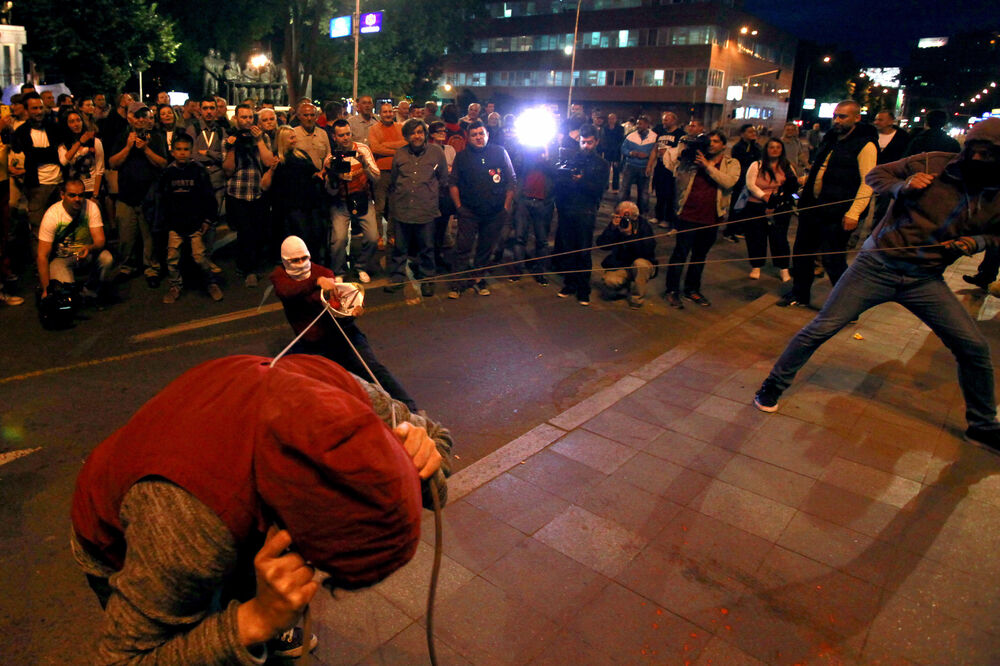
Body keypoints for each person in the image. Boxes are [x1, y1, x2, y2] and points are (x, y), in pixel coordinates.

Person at [70, 349, 451, 662]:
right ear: (295, 543)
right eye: (324, 575)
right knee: (206, 623)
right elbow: (122, 658)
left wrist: (425, 458)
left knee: (238, 584)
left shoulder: (334, 388)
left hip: (219, 496)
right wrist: (254, 619)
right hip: (119, 530)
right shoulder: (190, 529)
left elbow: (436, 435)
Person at [754, 118, 1000, 452]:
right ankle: (772, 385)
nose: (981, 161)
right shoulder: (933, 162)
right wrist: (903, 185)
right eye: (977, 152)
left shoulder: (996, 190)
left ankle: (983, 425)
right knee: (821, 327)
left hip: (924, 278)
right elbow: (876, 175)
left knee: (973, 347)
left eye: (990, 156)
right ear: (968, 148)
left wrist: (977, 241)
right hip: (876, 265)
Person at [272, 235, 421, 411]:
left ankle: (411, 409)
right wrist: (316, 282)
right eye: (295, 260)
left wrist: (352, 312)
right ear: (285, 261)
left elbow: (338, 309)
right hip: (312, 345)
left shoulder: (324, 273)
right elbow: (288, 292)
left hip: (341, 334)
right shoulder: (280, 277)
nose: (301, 263)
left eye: (304, 258)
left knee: (373, 370)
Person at [779, 100, 876, 308]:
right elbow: (821, 167)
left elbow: (868, 182)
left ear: (857, 118)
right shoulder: (831, 138)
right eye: (836, 116)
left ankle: (846, 305)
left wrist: (854, 213)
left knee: (833, 260)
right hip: (813, 207)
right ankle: (800, 293)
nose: (837, 120)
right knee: (802, 253)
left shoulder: (865, 144)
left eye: (843, 116)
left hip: (838, 212)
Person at [662, 129, 740, 308]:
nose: (711, 144)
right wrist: (684, 148)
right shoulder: (692, 159)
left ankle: (692, 289)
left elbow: (729, 182)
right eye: (709, 141)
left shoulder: (731, 163)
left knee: (699, 256)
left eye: (716, 141)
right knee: (680, 254)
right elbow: (674, 170)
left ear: (723, 145)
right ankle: (672, 290)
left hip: (711, 216)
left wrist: (707, 166)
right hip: (688, 214)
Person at [446, 121, 516, 298]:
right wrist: (459, 207)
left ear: (487, 135)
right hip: (469, 212)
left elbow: (511, 180)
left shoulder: (499, 152)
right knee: (463, 248)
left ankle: (478, 279)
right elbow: (453, 183)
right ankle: (457, 283)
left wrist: (506, 207)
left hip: (494, 213)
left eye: (481, 133)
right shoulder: (462, 157)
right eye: (474, 134)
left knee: (485, 248)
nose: (478, 137)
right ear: (468, 138)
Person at [156, 133, 223, 303]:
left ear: (191, 151)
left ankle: (210, 283)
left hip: (195, 224)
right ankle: (175, 285)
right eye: (178, 149)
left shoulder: (198, 170)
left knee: (200, 257)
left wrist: (208, 219)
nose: (182, 153)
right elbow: (163, 199)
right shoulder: (168, 173)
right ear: (172, 151)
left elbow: (208, 196)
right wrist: (165, 222)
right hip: (175, 224)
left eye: (186, 149)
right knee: (172, 257)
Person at [386, 119, 449, 297]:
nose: (417, 136)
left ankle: (427, 279)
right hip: (402, 209)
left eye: (420, 132)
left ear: (425, 134)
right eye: (413, 133)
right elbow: (394, 181)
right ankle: (398, 277)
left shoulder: (436, 153)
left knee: (427, 248)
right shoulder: (399, 154)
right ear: (406, 136)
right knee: (400, 248)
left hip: (426, 210)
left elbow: (444, 180)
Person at [108, 102, 168, 286]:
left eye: (144, 116)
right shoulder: (122, 137)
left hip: (149, 197)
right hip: (126, 196)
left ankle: (152, 269)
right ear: (130, 118)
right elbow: (113, 163)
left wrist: (145, 149)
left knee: (149, 237)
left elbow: (163, 163)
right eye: (137, 116)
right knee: (126, 237)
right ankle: (127, 267)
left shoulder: (156, 137)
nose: (141, 120)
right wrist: (128, 147)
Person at [553, 124, 610, 306]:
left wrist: (581, 181)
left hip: (586, 211)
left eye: (590, 142)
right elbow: (560, 182)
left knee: (584, 251)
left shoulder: (601, 164)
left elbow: (599, 189)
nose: (586, 146)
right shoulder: (571, 159)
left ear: (596, 142)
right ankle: (570, 283)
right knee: (569, 250)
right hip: (568, 209)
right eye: (583, 142)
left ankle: (583, 288)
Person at [37, 179, 114, 301]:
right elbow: (42, 255)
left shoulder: (91, 207)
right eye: (72, 195)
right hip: (62, 258)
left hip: (85, 253)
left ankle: (90, 290)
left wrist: (89, 248)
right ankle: (72, 292)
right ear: (62, 195)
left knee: (107, 258)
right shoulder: (52, 215)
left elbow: (100, 241)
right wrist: (46, 290)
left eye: (80, 195)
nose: (77, 199)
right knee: (66, 293)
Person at [223, 103, 274, 287]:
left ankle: (251, 263)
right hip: (238, 191)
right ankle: (248, 269)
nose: (247, 121)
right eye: (243, 117)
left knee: (258, 231)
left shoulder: (263, 137)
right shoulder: (230, 138)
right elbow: (228, 170)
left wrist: (259, 140)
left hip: (258, 191)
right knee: (244, 231)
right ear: (236, 118)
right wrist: (232, 148)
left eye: (250, 117)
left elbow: (269, 162)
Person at [326, 118, 380, 283]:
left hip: (363, 199)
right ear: (334, 137)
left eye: (348, 134)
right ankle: (339, 271)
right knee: (339, 240)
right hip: (341, 202)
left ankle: (361, 267)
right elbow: (330, 190)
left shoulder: (362, 149)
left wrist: (364, 166)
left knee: (372, 237)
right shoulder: (331, 157)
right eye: (341, 135)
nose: (345, 138)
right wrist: (333, 175)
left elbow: (376, 178)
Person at [261, 126, 325, 260]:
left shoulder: (301, 154)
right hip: (291, 206)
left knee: (316, 234)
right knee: (302, 236)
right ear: (283, 140)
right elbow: (265, 185)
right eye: (291, 138)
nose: (295, 140)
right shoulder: (276, 159)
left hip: (310, 201)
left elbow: (313, 171)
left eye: (295, 136)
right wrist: (272, 170)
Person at [741, 138, 799, 282]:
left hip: (779, 206)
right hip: (756, 205)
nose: (775, 150)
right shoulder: (757, 165)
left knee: (779, 238)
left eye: (778, 147)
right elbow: (750, 184)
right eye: (771, 147)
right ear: (766, 149)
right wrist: (764, 196)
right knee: (756, 237)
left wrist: (782, 197)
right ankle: (756, 265)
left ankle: (783, 268)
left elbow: (792, 185)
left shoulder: (787, 166)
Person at [596, 200, 655, 308]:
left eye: (627, 216)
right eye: (620, 215)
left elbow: (647, 251)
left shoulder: (644, 226)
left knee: (640, 264)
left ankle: (636, 299)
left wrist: (629, 235)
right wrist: (612, 229)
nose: (624, 220)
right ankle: (624, 288)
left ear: (635, 216)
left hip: (642, 264)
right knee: (609, 281)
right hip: (622, 265)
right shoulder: (617, 225)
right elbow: (602, 245)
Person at [511, 143, 555, 285]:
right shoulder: (525, 150)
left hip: (543, 202)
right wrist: (526, 150)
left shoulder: (552, 149)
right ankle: (518, 269)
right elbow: (516, 166)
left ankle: (540, 272)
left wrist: (546, 156)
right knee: (519, 237)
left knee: (542, 240)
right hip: (524, 200)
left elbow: (556, 172)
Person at [368, 102, 407, 245]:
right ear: (380, 113)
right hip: (381, 172)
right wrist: (395, 149)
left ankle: (391, 235)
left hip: (398, 171)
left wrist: (385, 145)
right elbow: (375, 148)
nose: (388, 114)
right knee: (379, 206)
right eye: (385, 112)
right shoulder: (374, 128)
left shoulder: (400, 127)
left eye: (390, 111)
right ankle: (378, 236)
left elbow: (405, 144)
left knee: (394, 206)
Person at [726, 123, 763, 242]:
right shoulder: (739, 147)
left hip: (752, 180)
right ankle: (730, 230)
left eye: (754, 132)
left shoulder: (756, 146)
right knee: (737, 204)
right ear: (742, 134)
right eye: (750, 132)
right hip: (741, 180)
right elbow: (742, 163)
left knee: (747, 205)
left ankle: (740, 228)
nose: (753, 134)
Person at [58, 110, 104, 199]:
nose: (76, 124)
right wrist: (79, 143)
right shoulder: (64, 144)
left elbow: (100, 169)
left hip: (91, 188)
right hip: (73, 190)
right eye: (72, 122)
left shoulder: (95, 141)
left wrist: (95, 194)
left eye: (78, 120)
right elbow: (64, 161)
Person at [650, 111, 685, 229]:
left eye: (666, 120)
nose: (663, 122)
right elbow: (655, 149)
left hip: (671, 168)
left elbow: (681, 151)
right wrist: (650, 165)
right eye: (663, 119)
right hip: (660, 166)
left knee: (669, 194)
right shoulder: (661, 133)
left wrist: (669, 153)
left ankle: (668, 218)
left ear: (674, 120)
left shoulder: (680, 134)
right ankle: (658, 215)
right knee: (659, 191)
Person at [618, 114, 656, 216]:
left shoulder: (654, 137)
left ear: (647, 125)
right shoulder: (631, 136)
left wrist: (647, 156)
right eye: (638, 124)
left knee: (643, 192)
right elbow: (623, 149)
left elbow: (655, 152)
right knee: (624, 189)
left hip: (644, 167)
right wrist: (632, 153)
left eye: (641, 124)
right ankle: (622, 210)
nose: (639, 126)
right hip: (630, 165)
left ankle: (642, 213)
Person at [603, 113, 624, 193]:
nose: (611, 120)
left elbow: (621, 140)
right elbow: (604, 139)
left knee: (616, 170)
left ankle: (615, 187)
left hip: (616, 151)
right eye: (609, 118)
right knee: (606, 169)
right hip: (607, 151)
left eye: (613, 118)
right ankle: (605, 186)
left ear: (616, 119)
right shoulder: (605, 128)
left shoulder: (620, 128)